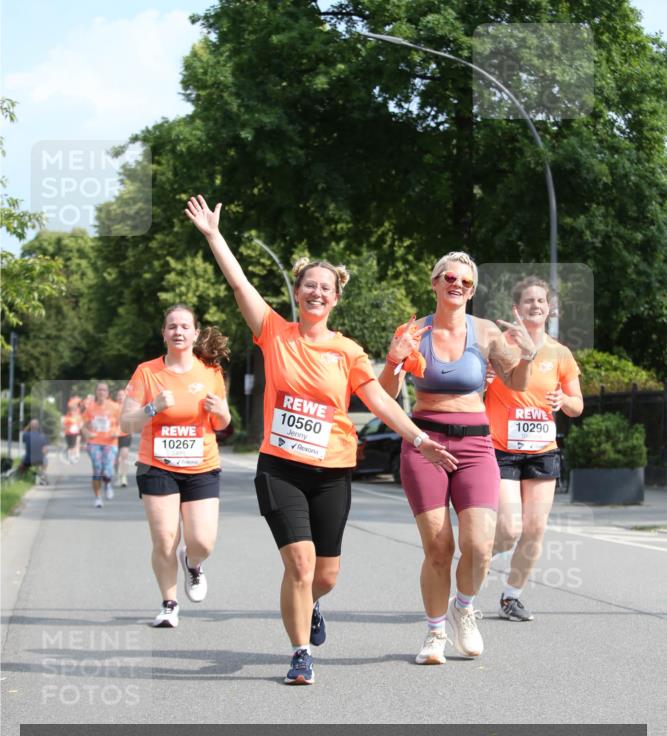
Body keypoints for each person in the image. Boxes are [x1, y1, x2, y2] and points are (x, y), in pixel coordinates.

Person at [186, 193, 453, 685]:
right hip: (281, 468)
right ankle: (300, 653)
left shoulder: (348, 351)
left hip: (332, 471)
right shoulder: (273, 331)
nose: (315, 293)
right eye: (308, 285)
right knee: (302, 565)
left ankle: (308, 607)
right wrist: (214, 236)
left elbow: (379, 401)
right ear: (298, 292)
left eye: (324, 288)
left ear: (335, 297)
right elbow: (239, 282)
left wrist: (419, 439)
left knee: (325, 576)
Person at [379, 252, 536, 665]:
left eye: (466, 282)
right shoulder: (414, 332)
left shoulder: (484, 333)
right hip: (425, 445)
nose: (458, 285)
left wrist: (530, 355)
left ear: (473, 290)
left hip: (476, 447)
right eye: (450, 277)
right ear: (434, 282)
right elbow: (385, 396)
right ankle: (434, 634)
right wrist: (395, 357)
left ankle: (462, 607)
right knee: (438, 548)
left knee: (479, 546)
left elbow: (516, 383)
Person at [120, 305, 231, 629]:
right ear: (164, 333)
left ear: (195, 333)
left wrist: (222, 410)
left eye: (184, 326)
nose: (178, 331)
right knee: (165, 537)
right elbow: (126, 423)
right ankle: (169, 604)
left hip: (201, 466)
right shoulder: (147, 372)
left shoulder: (210, 372)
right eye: (172, 326)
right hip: (157, 465)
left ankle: (193, 563)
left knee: (202, 541)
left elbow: (223, 423)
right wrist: (153, 407)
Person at [486, 276, 583, 621]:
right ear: (517, 308)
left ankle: (511, 597)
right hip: (501, 448)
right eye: (529, 301)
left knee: (535, 529)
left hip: (542, 449)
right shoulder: (499, 345)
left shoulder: (560, 353)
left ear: (550, 308)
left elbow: (577, 406)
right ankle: (480, 558)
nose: (536, 306)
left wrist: (564, 399)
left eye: (542, 301)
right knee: (509, 529)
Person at [81, 383, 120, 507]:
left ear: (107, 393)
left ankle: (108, 484)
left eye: (104, 390)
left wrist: (117, 432)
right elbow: (83, 426)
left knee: (107, 470)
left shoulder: (115, 407)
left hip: (110, 442)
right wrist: (87, 433)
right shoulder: (90, 408)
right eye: (99, 390)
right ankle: (97, 497)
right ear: (96, 392)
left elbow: (123, 424)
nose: (102, 392)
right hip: (94, 443)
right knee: (97, 469)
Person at [18, 419, 49, 483]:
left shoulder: (26, 435)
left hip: (28, 460)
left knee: (22, 462)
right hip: (39, 460)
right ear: (38, 427)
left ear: (30, 426)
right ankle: (43, 473)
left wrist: (28, 426)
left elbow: (23, 432)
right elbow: (45, 450)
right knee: (45, 459)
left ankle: (20, 478)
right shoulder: (42, 436)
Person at [114, 389, 132, 487]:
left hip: (125, 435)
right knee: (116, 458)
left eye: (123, 395)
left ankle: (124, 476)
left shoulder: (129, 408)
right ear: (116, 397)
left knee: (124, 456)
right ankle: (118, 474)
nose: (121, 397)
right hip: (113, 436)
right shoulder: (112, 407)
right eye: (119, 395)